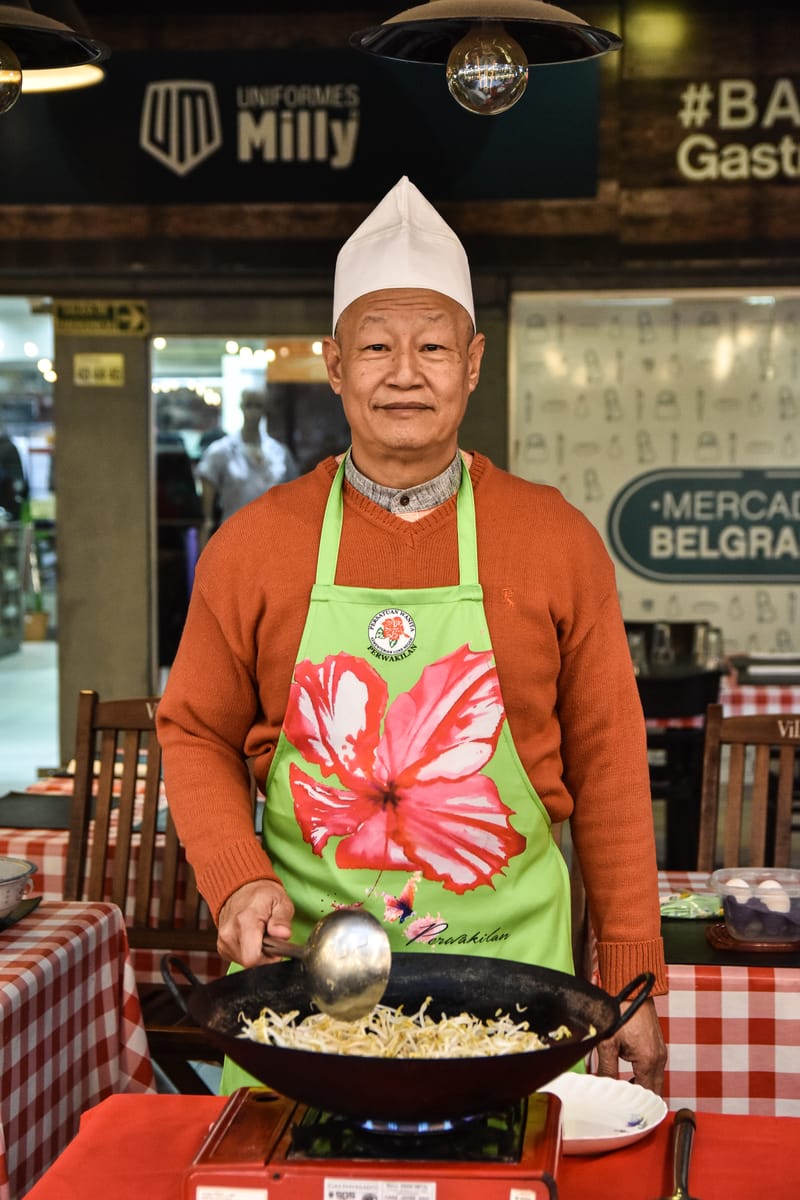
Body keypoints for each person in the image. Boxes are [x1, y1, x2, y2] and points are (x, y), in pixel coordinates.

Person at [157, 176, 667, 1092]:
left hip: (517, 988)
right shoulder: (254, 544)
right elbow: (193, 727)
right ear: (335, 363)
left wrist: (631, 964)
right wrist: (237, 879)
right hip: (304, 991)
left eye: (432, 346)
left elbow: (610, 757)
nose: (404, 372)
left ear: (472, 363)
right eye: (377, 347)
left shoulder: (555, 539)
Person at [196, 389, 298, 546]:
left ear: (265, 409)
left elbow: (294, 502)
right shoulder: (220, 452)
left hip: (273, 540)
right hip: (234, 539)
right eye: (249, 405)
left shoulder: (280, 453)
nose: (253, 412)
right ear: (241, 406)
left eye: (258, 405)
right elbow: (206, 517)